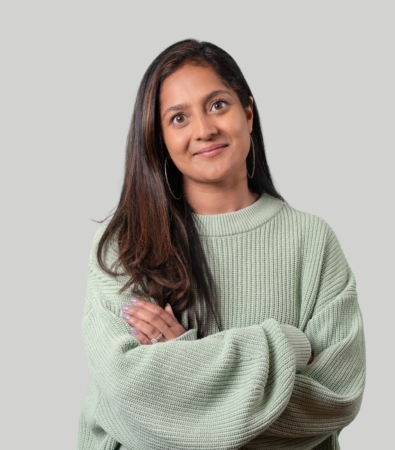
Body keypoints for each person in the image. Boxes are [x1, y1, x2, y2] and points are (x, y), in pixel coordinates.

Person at [78, 39, 366, 450]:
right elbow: (128, 397)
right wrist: (282, 347)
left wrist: (178, 369)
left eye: (217, 105)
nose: (204, 129)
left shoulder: (312, 241)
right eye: (178, 118)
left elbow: (336, 399)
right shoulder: (125, 248)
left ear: (247, 113)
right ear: (159, 138)